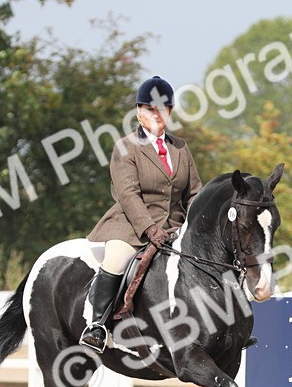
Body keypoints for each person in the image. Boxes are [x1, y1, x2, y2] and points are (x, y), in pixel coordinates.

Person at [79, 75, 203, 352]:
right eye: (150, 108)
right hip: (131, 227)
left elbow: (194, 192)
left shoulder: (181, 148)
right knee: (116, 260)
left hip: (174, 227)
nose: (156, 114)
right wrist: (150, 229)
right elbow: (128, 194)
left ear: (170, 112)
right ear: (139, 110)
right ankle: (97, 326)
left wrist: (196, 226)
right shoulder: (126, 147)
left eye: (162, 108)